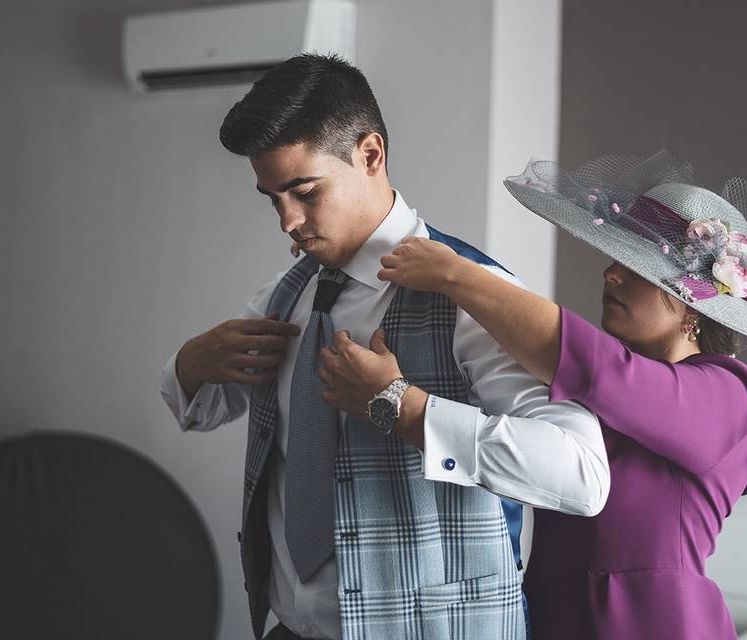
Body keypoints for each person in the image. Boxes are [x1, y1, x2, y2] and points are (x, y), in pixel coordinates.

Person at [159, 54, 609, 640]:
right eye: (272, 198)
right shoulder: (285, 296)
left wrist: (403, 407)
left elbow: (581, 475)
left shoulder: (471, 293)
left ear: (370, 155)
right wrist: (189, 364)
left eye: (304, 191)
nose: (286, 222)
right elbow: (202, 407)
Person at [335, 152, 747, 639]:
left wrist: (459, 274)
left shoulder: (731, 398)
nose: (610, 274)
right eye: (616, 259)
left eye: (637, 268)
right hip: (551, 613)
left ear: (694, 307)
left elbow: (599, 370)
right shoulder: (608, 389)